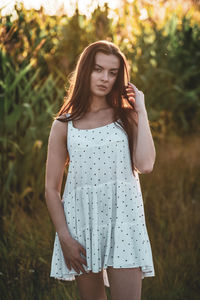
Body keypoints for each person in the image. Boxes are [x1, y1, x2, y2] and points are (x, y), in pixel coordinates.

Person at [45, 40, 156, 300]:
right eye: (98, 69)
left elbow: (146, 165)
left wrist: (141, 108)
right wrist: (65, 237)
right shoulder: (64, 125)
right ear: (86, 70)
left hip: (124, 223)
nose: (105, 78)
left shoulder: (126, 116)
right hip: (82, 226)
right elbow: (51, 188)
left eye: (112, 72)